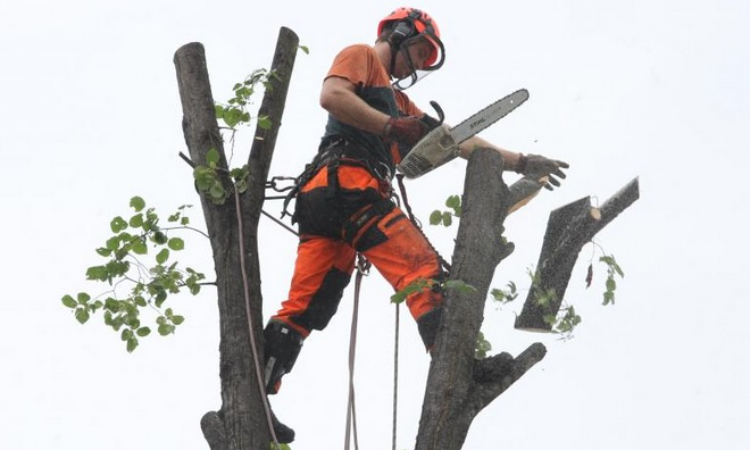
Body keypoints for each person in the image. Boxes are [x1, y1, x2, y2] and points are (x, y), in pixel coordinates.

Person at [263, 7, 568, 443]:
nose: (416, 66)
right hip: (349, 186)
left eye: (426, 61)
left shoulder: (400, 102)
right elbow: (332, 96)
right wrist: (391, 126)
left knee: (309, 305)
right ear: (401, 33)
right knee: (422, 270)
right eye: (418, 52)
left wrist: (520, 160)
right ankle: (461, 368)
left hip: (327, 203)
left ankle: (258, 392)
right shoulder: (362, 57)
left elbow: (456, 139)